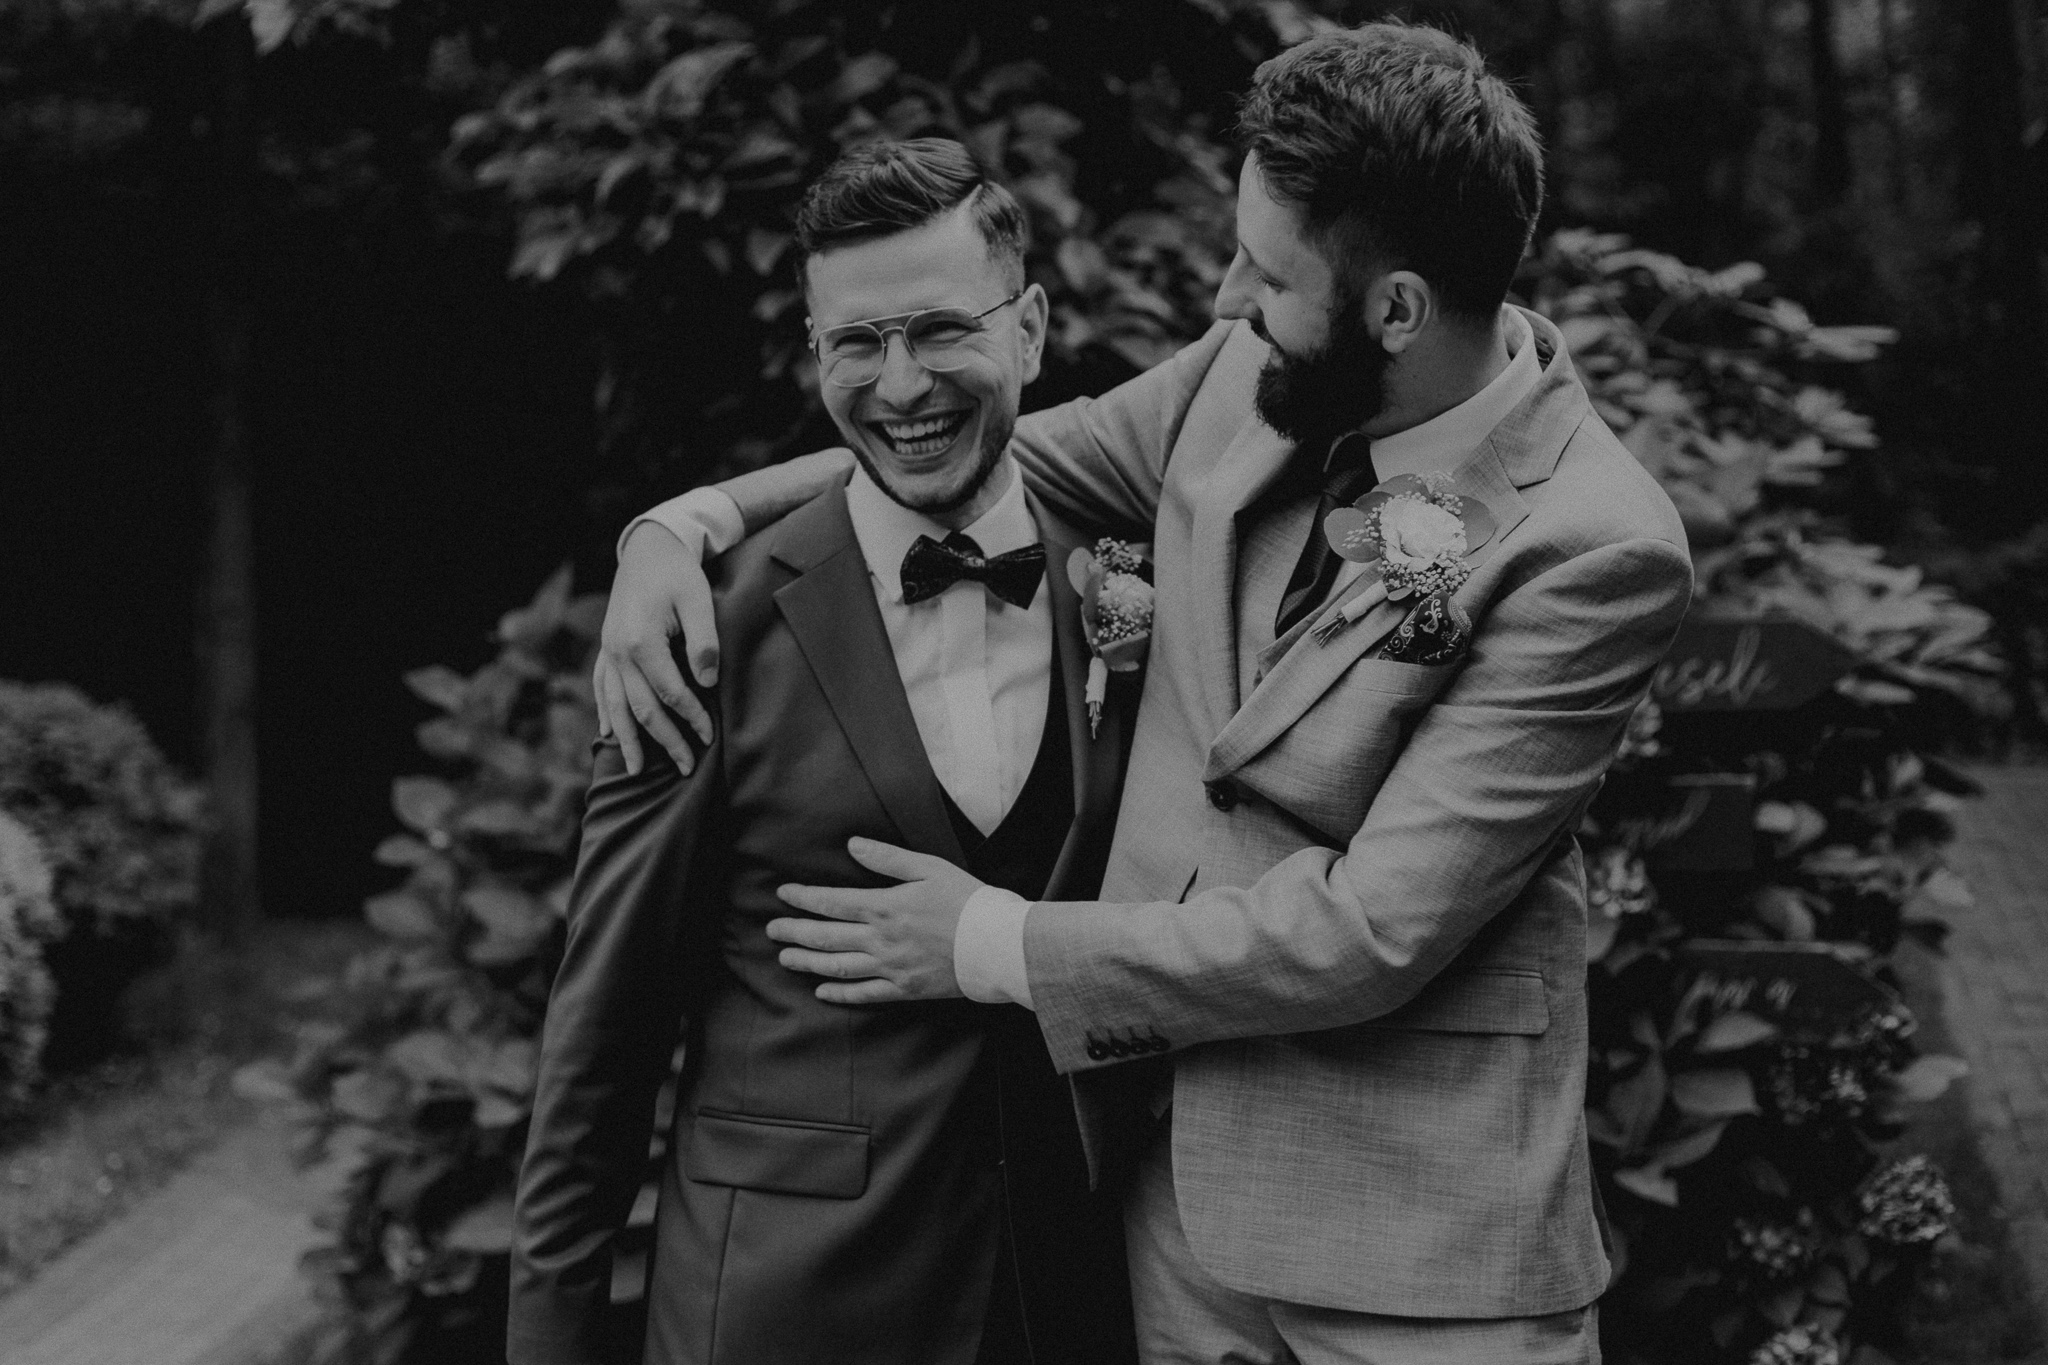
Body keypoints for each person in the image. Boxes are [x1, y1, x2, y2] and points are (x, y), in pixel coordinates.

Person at [601, 22, 1693, 1364]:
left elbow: (1373, 929)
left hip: (1419, 1240)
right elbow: (972, 452)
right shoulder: (1245, 372)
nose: (1226, 299)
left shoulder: (1594, 545)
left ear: (1397, 310)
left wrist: (992, 943)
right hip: (1166, 1215)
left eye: (1266, 274)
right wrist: (683, 525)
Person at [509, 139, 1140, 1365]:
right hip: (782, 1308)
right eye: (855, 342)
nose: (900, 385)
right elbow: (601, 1043)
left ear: (1027, 330)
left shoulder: (1126, 571)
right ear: (814, 351)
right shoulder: (702, 630)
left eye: (939, 330)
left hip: (1069, 1295)